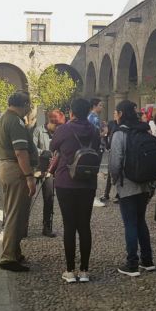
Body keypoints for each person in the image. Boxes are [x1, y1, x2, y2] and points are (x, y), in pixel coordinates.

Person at [50, 99, 101, 283]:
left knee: (69, 226)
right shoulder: (94, 131)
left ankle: (70, 270)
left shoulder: (64, 130)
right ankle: (85, 270)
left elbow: (53, 147)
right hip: (87, 183)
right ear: (88, 111)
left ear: (71, 112)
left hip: (66, 182)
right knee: (84, 225)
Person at [110, 100, 156, 277]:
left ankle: (132, 264)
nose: (114, 115)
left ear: (121, 113)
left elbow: (115, 162)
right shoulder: (144, 130)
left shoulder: (120, 134)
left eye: (116, 112)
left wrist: (115, 182)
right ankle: (148, 260)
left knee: (130, 223)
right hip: (145, 183)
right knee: (140, 220)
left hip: (128, 184)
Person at [0, 92, 38, 272]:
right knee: (14, 213)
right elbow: (20, 152)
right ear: (25, 104)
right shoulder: (16, 121)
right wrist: (29, 176)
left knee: (16, 211)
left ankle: (15, 251)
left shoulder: (5, 118)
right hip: (15, 170)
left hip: (7, 167)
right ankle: (8, 257)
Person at [32, 109, 65, 238]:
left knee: (49, 198)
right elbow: (32, 148)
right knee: (28, 198)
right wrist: (43, 152)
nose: (58, 128)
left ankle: (47, 227)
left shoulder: (59, 133)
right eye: (56, 125)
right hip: (36, 168)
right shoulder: (38, 131)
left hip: (50, 170)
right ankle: (22, 226)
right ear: (50, 122)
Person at [99, 111, 120, 204]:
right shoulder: (112, 124)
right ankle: (106, 194)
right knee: (110, 172)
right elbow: (106, 136)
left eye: (116, 113)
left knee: (119, 172)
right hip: (111, 152)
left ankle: (118, 194)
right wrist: (107, 146)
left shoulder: (120, 126)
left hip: (118, 152)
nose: (114, 114)